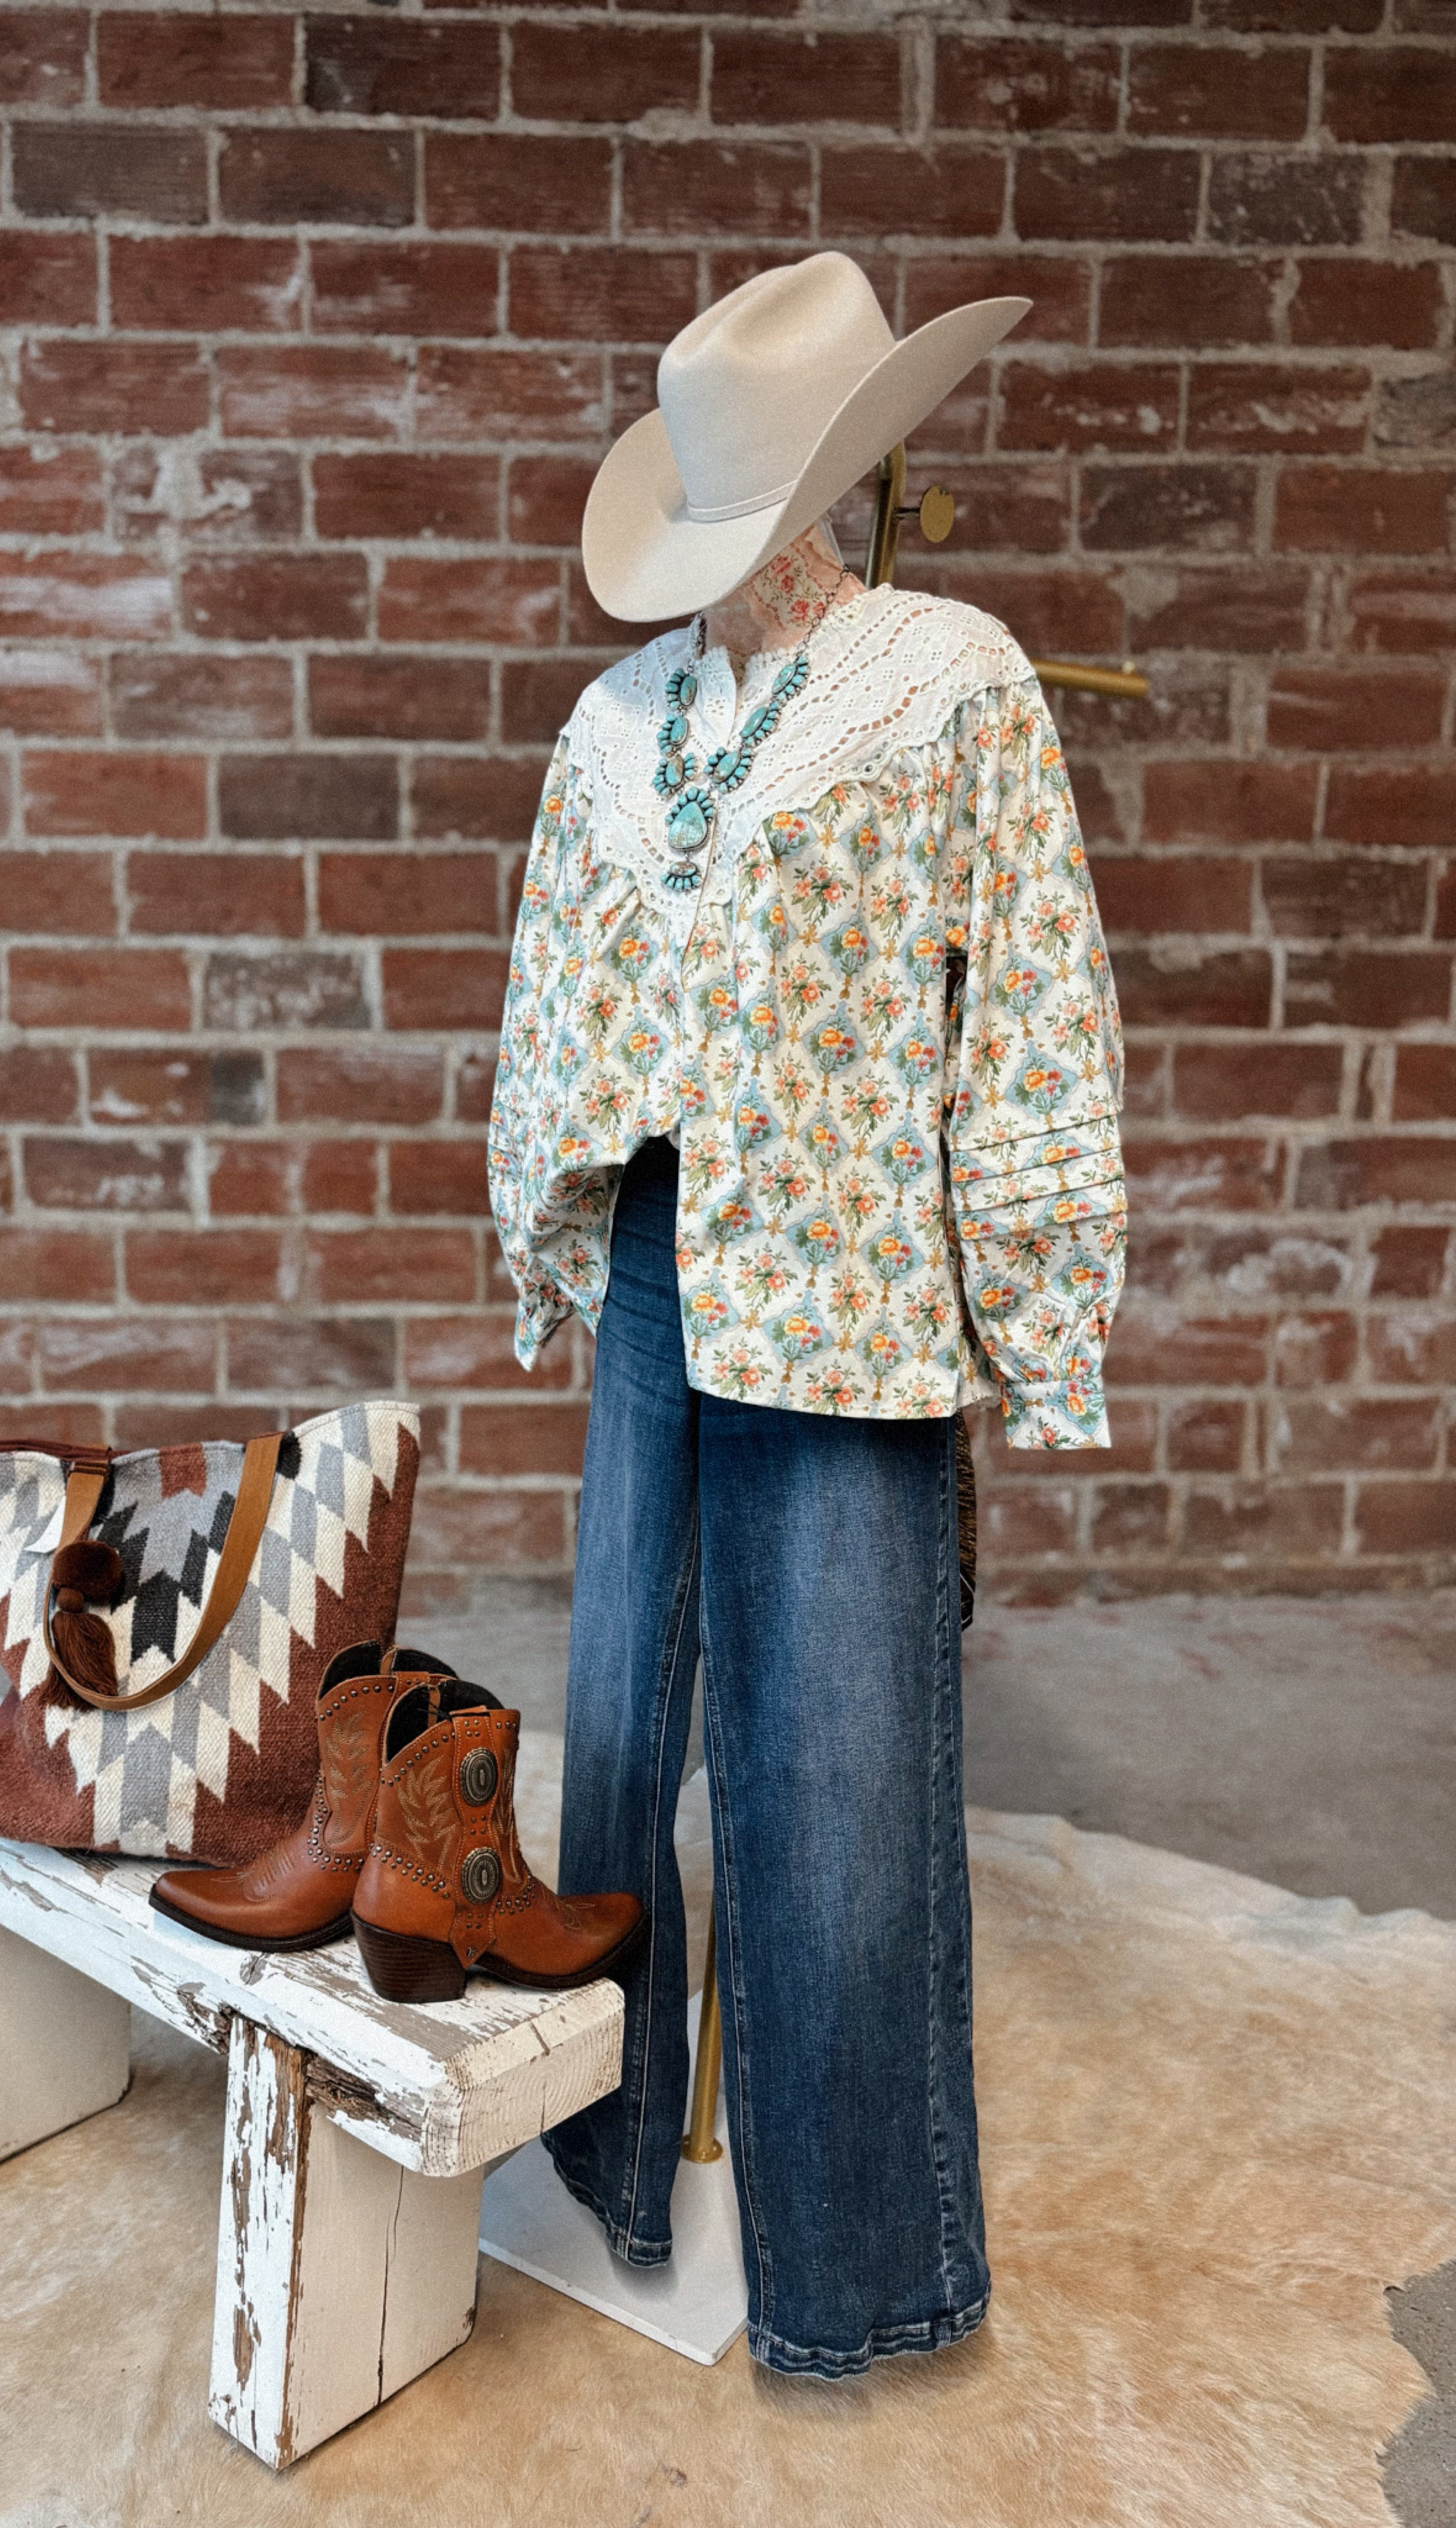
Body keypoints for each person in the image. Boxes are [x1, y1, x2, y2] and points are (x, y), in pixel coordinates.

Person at [485, 252, 1129, 2379]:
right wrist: (552, 1225)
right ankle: (606, 2164)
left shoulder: (951, 686)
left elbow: (1032, 1007)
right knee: (615, 1742)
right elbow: (550, 1008)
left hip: (854, 1290)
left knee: (840, 1778)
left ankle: (859, 2276)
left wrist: (1034, 1296)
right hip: (658, 1266)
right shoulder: (615, 725)